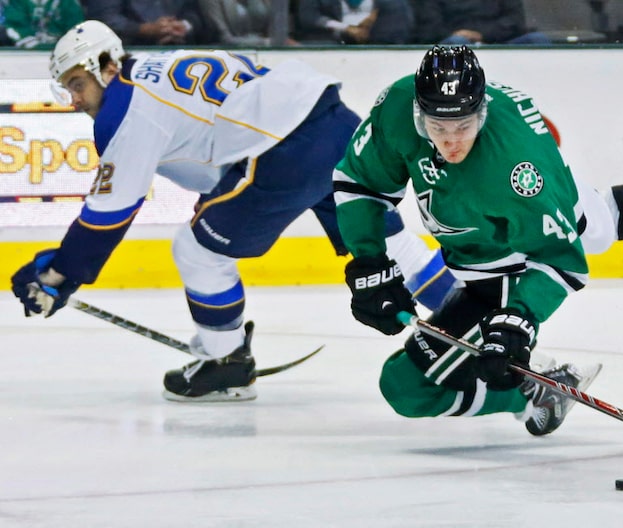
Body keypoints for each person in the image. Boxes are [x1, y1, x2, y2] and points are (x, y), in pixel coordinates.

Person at [333, 45, 623, 436]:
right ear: (418, 112)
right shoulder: (397, 107)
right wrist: (369, 258)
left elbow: (562, 260)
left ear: (483, 111)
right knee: (598, 218)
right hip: (507, 219)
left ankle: (537, 393)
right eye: (438, 128)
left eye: (464, 127)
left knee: (406, 387)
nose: (452, 142)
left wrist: (520, 318)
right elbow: (359, 184)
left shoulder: (516, 173)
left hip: (508, 255)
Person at [9, 20, 448, 402]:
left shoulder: (125, 109)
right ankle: (470, 317)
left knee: (199, 251)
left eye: (77, 84)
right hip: (333, 121)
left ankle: (225, 363)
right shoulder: (161, 66)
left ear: (107, 66)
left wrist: (58, 274)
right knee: (390, 246)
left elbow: (108, 214)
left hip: (284, 150)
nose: (73, 100)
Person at [411, 0, 552, 45]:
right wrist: (461, 34)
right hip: (453, 40)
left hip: (498, 41)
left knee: (537, 40)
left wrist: (481, 34)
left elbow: (515, 21)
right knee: (457, 43)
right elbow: (430, 27)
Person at [85, 0, 208, 45]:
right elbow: (104, 19)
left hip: (182, 50)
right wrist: (147, 29)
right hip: (128, 55)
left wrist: (184, 26)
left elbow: (195, 12)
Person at [293, 0, 412, 45]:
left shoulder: (393, 4)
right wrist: (345, 28)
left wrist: (374, 21)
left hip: (377, 40)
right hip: (330, 41)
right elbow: (309, 18)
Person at [3, 0, 84, 49]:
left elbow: (77, 34)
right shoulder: (18, 2)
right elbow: (13, 27)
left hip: (62, 56)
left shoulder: (69, 3)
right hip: (25, 56)